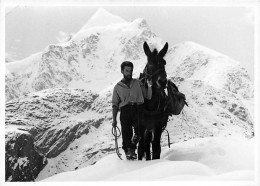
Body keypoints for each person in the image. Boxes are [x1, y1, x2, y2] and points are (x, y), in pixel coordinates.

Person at [112, 61, 152, 160]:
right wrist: (114, 120)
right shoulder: (117, 87)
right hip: (125, 111)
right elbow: (115, 105)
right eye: (127, 71)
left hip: (138, 108)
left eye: (130, 71)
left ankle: (132, 147)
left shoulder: (138, 83)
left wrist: (150, 86)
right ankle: (128, 153)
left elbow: (148, 96)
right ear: (122, 71)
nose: (129, 73)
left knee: (140, 130)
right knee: (126, 133)